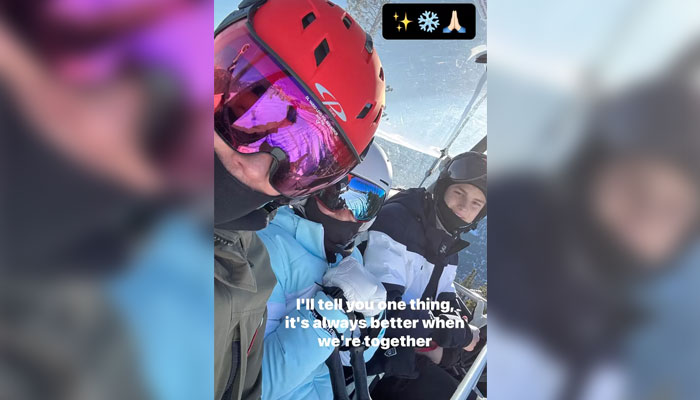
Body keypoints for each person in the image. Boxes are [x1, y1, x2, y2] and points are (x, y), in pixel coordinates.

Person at [213, 0, 385, 398]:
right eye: (239, 114)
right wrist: (328, 316)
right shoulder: (261, 258)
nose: (255, 168)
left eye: (302, 162)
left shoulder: (243, 258)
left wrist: (367, 326)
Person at [256, 143, 392, 400]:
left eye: (364, 203)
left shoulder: (349, 256)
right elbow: (257, 385)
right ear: (311, 189)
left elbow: (353, 356)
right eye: (336, 194)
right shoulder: (267, 248)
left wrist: (371, 323)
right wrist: (330, 312)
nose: (346, 212)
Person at [361, 151, 487, 399]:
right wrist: (455, 336)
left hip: (411, 346)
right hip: (377, 358)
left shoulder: (447, 241)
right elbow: (384, 312)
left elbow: (444, 293)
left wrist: (459, 324)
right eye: (459, 193)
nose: (463, 207)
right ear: (442, 189)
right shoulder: (397, 222)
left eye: (476, 203)